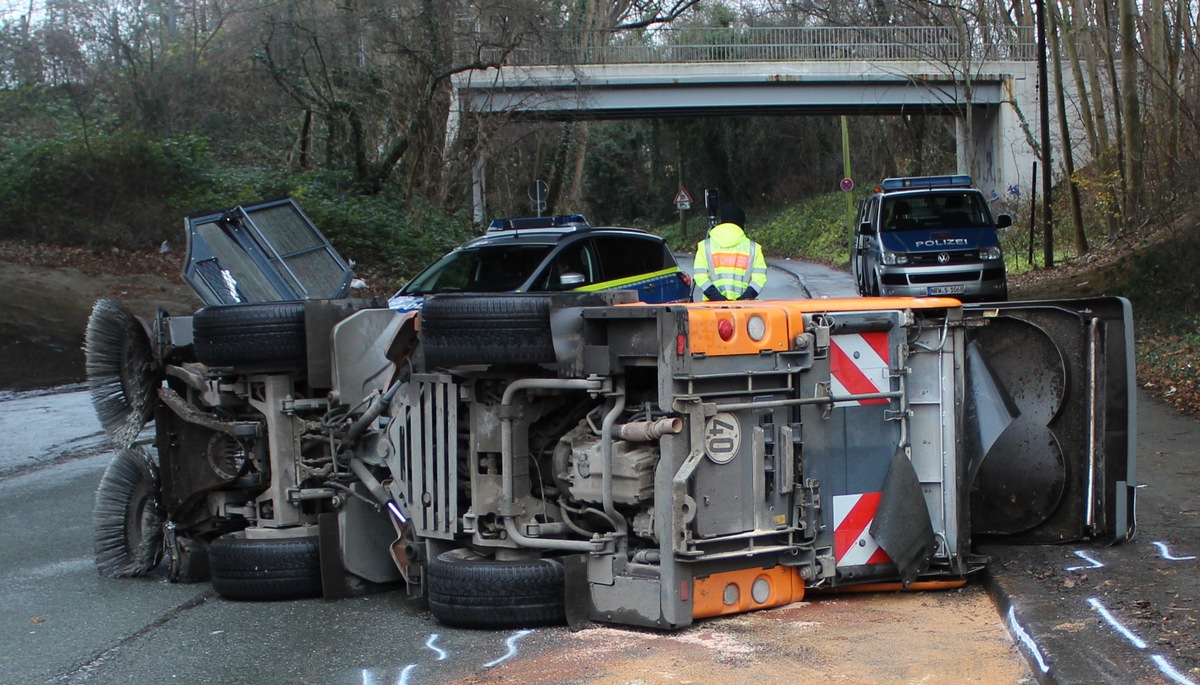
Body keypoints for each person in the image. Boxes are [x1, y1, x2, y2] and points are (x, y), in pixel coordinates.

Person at [693, 203, 768, 301]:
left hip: (711, 308)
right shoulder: (753, 248)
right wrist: (743, 299)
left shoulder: (705, 246)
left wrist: (718, 300)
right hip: (743, 308)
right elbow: (759, 279)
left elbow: (700, 277)